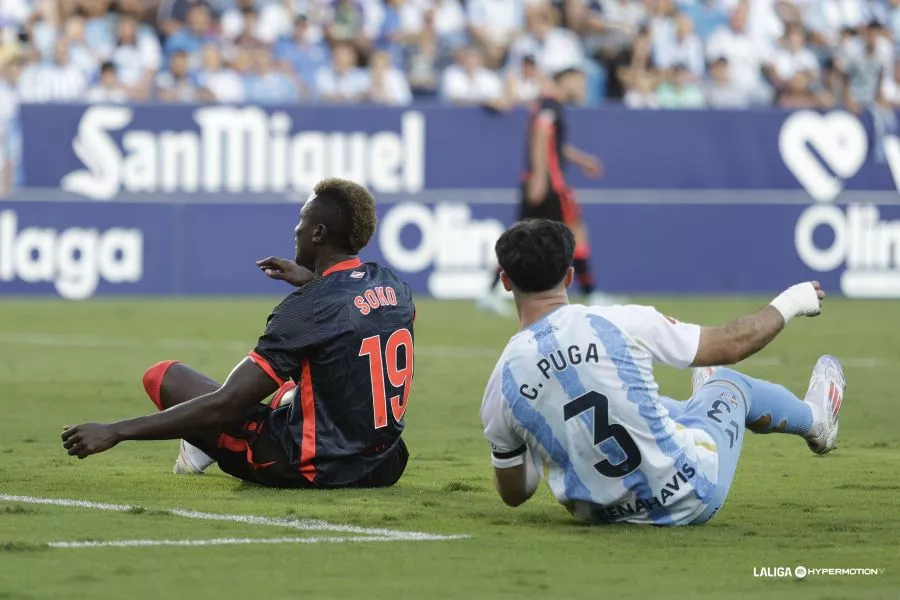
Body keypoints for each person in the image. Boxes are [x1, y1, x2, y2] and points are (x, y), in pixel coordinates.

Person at [480, 219, 844, 525]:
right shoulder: (619, 321)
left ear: (506, 281)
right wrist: (792, 301)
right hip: (690, 496)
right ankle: (817, 420)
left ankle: (701, 405)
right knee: (729, 383)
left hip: (599, 516)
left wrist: (537, 444)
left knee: (653, 407)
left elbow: (516, 493)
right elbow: (733, 344)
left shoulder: (502, 383)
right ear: (570, 275)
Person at [62, 179, 415, 490]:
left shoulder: (306, 307)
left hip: (312, 467)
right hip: (384, 465)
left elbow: (227, 402)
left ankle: (198, 446)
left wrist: (115, 431)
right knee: (293, 391)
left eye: (301, 220)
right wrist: (315, 280)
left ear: (318, 233)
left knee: (162, 376)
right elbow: (352, 314)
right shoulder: (395, 287)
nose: (296, 229)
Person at [478, 66, 618, 316]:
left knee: (519, 237)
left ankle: (489, 292)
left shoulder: (546, 105)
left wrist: (582, 161)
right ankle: (591, 292)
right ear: (564, 80)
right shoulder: (551, 106)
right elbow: (541, 135)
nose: (582, 88)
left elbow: (554, 144)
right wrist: (540, 177)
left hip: (540, 180)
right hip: (551, 184)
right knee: (576, 232)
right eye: (578, 81)